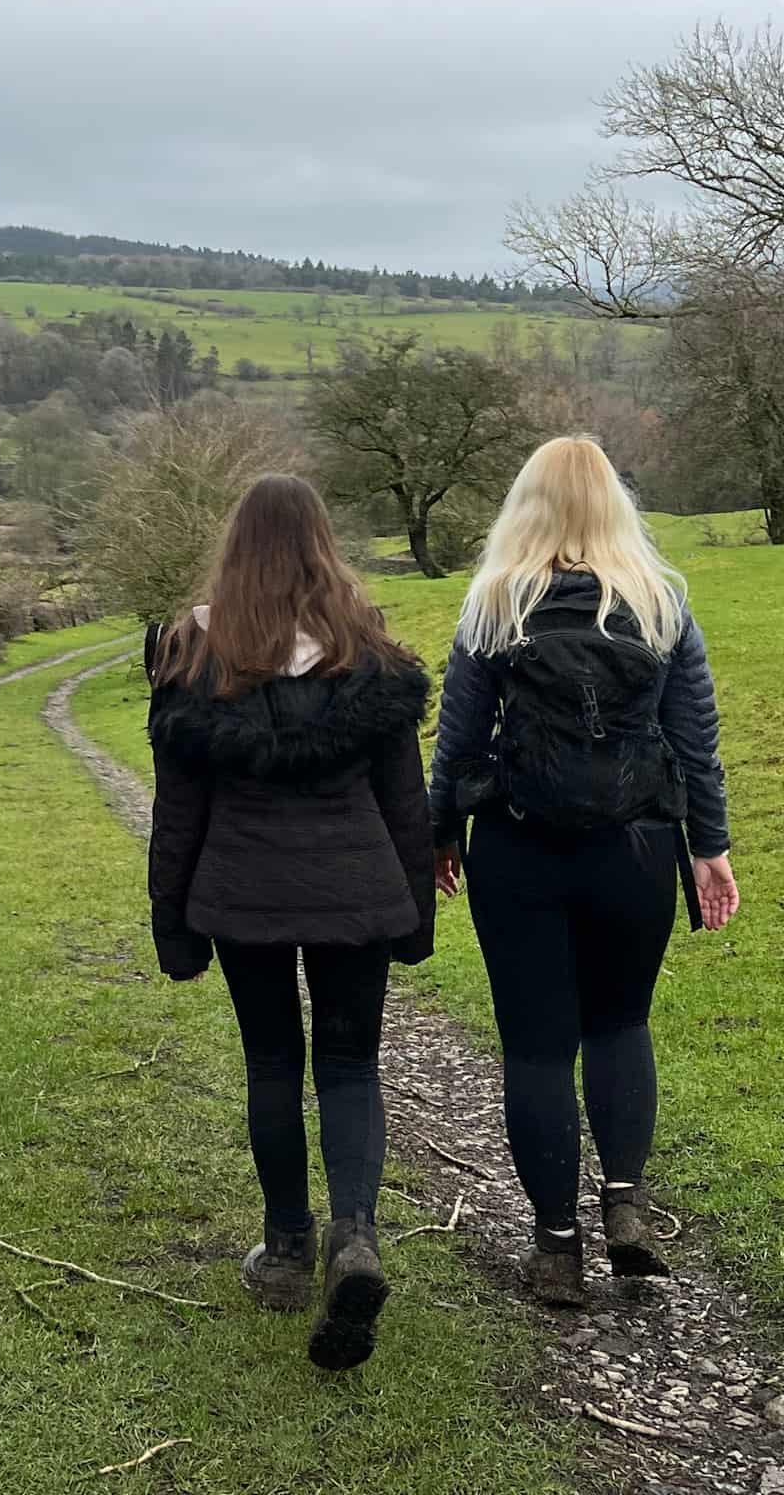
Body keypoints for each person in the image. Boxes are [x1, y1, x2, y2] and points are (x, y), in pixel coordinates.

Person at [430, 437, 740, 1307]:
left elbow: (456, 742)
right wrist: (708, 850)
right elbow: (695, 744)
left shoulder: (496, 603)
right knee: (619, 1026)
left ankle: (556, 1249)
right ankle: (626, 1207)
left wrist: (440, 833)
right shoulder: (660, 601)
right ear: (615, 506)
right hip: (636, 849)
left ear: (524, 506)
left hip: (518, 851)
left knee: (535, 1047)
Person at [147, 473, 433, 1371]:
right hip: (356, 894)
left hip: (245, 895)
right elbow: (403, 800)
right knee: (350, 1066)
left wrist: (173, 919)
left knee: (272, 1062)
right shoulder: (370, 648)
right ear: (322, 544)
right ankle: (355, 1236)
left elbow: (177, 810)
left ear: (237, 548)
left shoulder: (195, 652)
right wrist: (415, 911)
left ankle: (284, 1252)